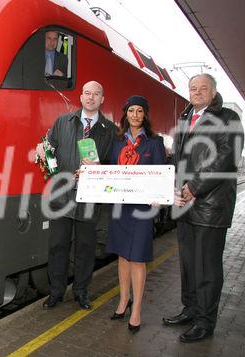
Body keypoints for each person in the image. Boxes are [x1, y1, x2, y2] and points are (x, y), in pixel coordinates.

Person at [163, 73, 244, 342]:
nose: (197, 92)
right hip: (185, 205)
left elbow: (226, 158)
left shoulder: (228, 119)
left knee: (207, 267)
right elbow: (178, 159)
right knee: (188, 263)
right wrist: (173, 188)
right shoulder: (186, 118)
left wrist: (194, 187)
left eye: (203, 88)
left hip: (210, 207)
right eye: (193, 88)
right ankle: (191, 309)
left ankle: (205, 321)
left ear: (213, 92)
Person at [36, 81, 116, 310]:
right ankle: (56, 292)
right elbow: (49, 148)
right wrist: (43, 151)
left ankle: (81, 292)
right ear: (80, 97)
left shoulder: (109, 130)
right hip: (61, 197)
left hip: (89, 198)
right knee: (58, 246)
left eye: (96, 94)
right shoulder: (63, 122)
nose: (91, 97)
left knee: (85, 249)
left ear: (102, 99)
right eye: (87, 93)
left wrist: (98, 168)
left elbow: (112, 164)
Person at [106, 95, 166, 333]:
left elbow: (161, 173)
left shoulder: (154, 142)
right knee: (122, 256)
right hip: (121, 206)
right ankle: (123, 301)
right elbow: (111, 170)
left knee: (138, 258)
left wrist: (159, 200)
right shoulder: (118, 141)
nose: (135, 115)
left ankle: (137, 310)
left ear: (145, 115)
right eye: (131, 110)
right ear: (125, 114)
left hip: (142, 209)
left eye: (140, 111)